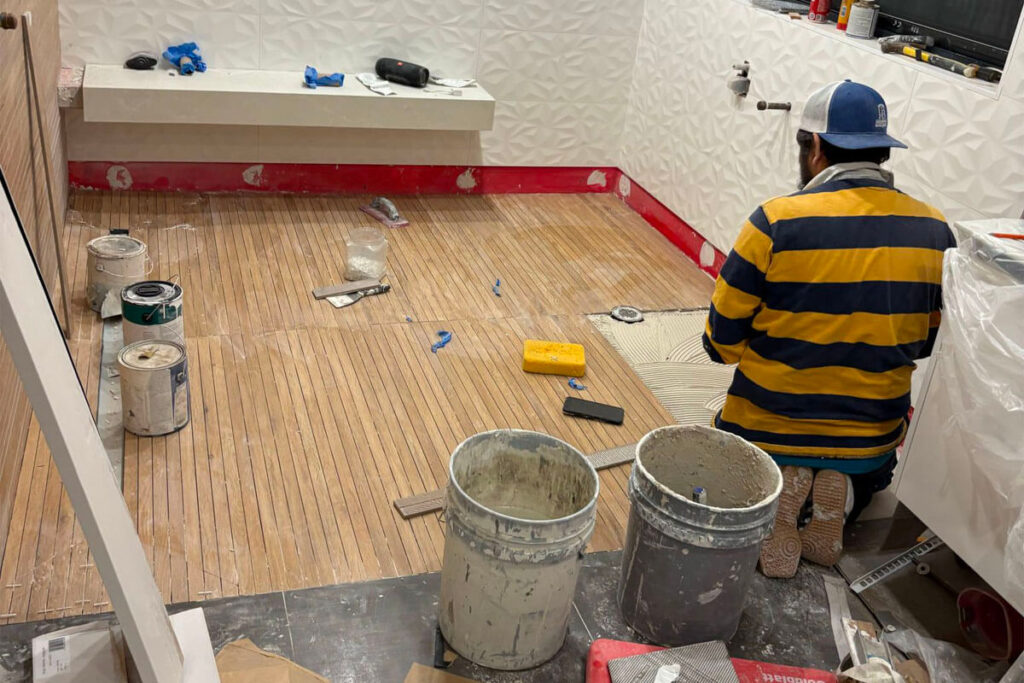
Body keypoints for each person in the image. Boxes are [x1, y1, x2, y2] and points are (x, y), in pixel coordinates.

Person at [703, 80, 956, 579]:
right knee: (868, 466)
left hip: (768, 426)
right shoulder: (934, 231)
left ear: (813, 147)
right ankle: (839, 496)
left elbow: (722, 343)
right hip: (869, 437)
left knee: (733, 457)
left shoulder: (776, 221)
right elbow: (924, 342)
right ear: (882, 152)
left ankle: (779, 491)